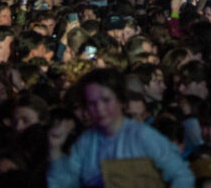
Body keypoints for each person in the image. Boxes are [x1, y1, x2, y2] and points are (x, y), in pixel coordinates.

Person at [48, 67, 194, 188]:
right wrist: (55, 151)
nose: (99, 108)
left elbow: (181, 175)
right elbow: (66, 184)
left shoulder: (142, 136)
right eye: (92, 103)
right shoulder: (85, 143)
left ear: (121, 100)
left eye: (106, 100)